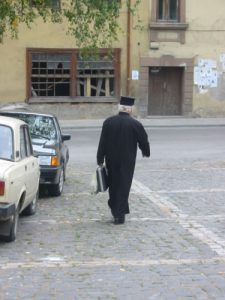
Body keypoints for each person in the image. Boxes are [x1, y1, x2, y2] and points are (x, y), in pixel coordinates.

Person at [97, 96, 150, 225]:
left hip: (111, 159)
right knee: (124, 186)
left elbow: (102, 142)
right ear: (130, 110)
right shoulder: (135, 124)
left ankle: (116, 211)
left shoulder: (108, 122)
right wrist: (146, 152)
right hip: (128, 160)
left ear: (120, 108)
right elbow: (144, 140)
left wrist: (100, 158)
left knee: (113, 185)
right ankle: (119, 215)